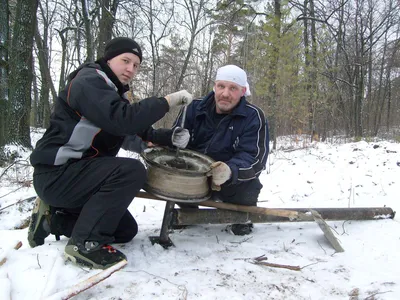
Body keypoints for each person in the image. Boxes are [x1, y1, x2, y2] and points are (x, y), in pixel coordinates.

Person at [28, 37, 192, 269]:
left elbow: (129, 131)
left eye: (136, 65)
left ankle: (54, 220)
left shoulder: (111, 93)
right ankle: (84, 244)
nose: (130, 69)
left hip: (79, 178)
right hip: (57, 175)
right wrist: (167, 101)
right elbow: (122, 120)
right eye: (125, 60)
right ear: (108, 59)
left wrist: (166, 137)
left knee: (125, 230)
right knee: (131, 171)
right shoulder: (89, 82)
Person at [172, 65, 269, 235]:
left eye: (233, 88)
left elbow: (254, 159)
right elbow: (173, 144)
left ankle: (242, 217)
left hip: (229, 181)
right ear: (214, 86)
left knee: (249, 184)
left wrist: (229, 171)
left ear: (243, 91)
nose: (225, 94)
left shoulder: (253, 116)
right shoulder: (194, 107)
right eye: (221, 86)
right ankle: (187, 208)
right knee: (175, 173)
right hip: (195, 177)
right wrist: (174, 140)